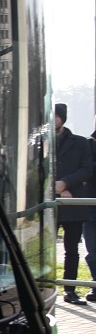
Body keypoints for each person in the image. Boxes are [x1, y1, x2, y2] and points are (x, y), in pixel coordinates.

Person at [52, 103, 95, 305]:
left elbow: (87, 169)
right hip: (50, 205)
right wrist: (56, 187)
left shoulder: (80, 143)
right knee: (43, 250)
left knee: (72, 249)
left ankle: (70, 290)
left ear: (63, 118)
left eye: (56, 116)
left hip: (74, 205)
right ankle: (43, 287)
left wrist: (66, 183)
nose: (53, 120)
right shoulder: (39, 143)